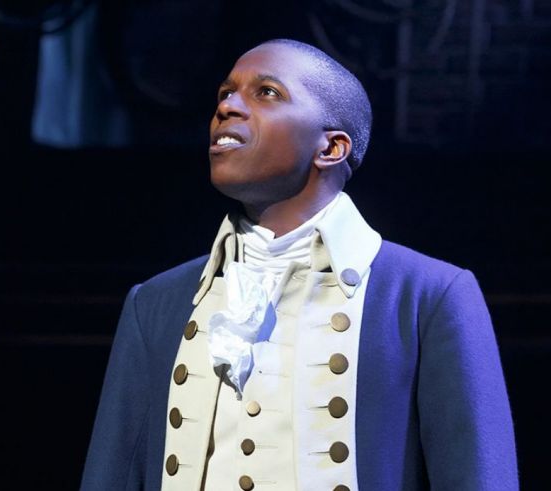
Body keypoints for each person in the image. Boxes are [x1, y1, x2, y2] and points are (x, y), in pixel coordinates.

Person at [80, 39, 517, 491]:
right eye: (225, 93)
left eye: (266, 92)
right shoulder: (156, 302)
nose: (228, 105)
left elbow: (478, 478)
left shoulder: (426, 295)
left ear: (331, 148)